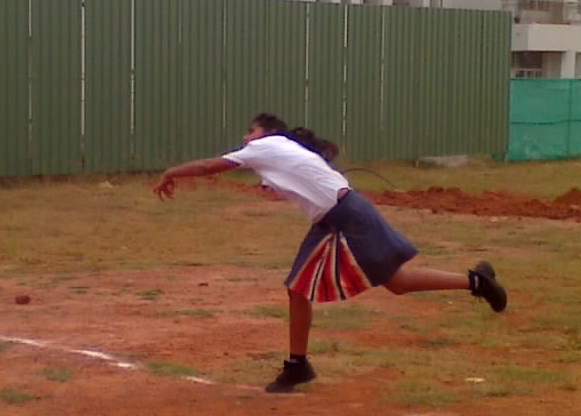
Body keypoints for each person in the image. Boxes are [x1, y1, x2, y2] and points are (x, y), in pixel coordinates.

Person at [154, 113, 507, 393]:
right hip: (342, 216)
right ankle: (476, 281)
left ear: (266, 133)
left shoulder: (266, 145)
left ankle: (298, 365)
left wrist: (171, 172)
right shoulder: (277, 150)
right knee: (394, 283)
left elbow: (209, 167)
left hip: (344, 219)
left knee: (305, 288)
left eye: (251, 131)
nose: (246, 137)